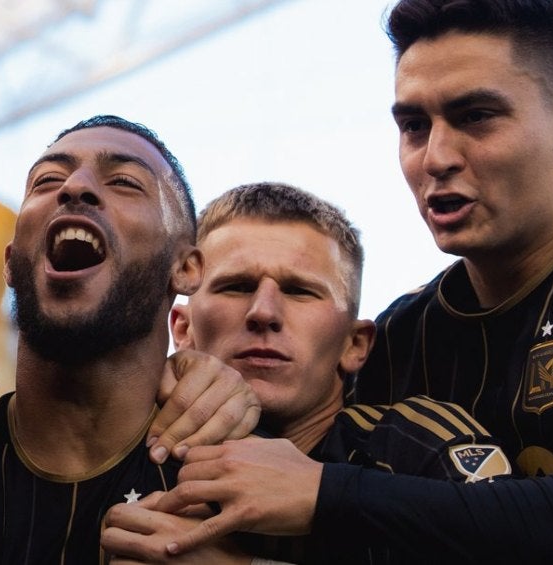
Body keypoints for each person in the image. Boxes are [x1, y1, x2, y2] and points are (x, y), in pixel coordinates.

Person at [142, 1, 553, 562]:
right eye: (414, 126)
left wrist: (329, 495)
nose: (436, 156)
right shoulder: (399, 339)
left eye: (476, 117)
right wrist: (193, 376)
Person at [100, 182, 512, 564]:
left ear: (355, 344)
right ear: (182, 328)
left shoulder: (418, 447)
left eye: (299, 291)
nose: (264, 312)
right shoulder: (115, 442)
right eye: (236, 286)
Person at [0, 114, 225, 564]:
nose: (74, 187)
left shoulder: (235, 489)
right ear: (10, 260)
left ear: (186, 268)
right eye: (46, 180)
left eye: (123, 181)